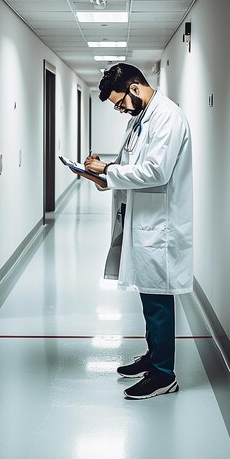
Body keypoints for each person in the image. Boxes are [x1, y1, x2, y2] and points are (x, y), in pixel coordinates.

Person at [84, 63, 193, 400]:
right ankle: (153, 358)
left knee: (158, 300)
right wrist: (101, 175)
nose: (120, 110)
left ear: (135, 88)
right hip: (143, 220)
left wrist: (110, 170)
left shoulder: (168, 118)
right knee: (148, 297)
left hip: (161, 226)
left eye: (120, 103)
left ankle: (164, 375)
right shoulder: (140, 120)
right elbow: (127, 166)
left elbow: (156, 171)